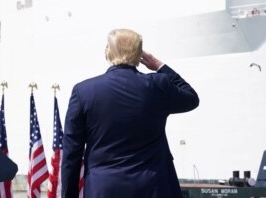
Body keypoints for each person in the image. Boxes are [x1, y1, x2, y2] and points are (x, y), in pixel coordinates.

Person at [61, 29, 199, 198]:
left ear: (108, 52)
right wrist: (159, 66)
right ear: (139, 54)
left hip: (104, 188)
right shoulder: (157, 85)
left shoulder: (83, 91)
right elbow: (191, 98)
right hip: (154, 186)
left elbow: (71, 153)